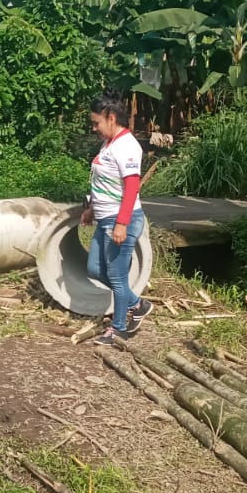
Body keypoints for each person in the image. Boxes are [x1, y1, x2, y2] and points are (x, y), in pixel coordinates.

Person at [81, 90, 152, 346]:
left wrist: (122, 224)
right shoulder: (109, 143)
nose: (94, 128)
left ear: (111, 118)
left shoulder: (127, 146)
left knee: (118, 277)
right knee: (94, 269)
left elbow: (132, 186)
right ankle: (138, 304)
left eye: (96, 122)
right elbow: (104, 182)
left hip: (121, 220)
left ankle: (118, 328)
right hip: (105, 218)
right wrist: (91, 208)